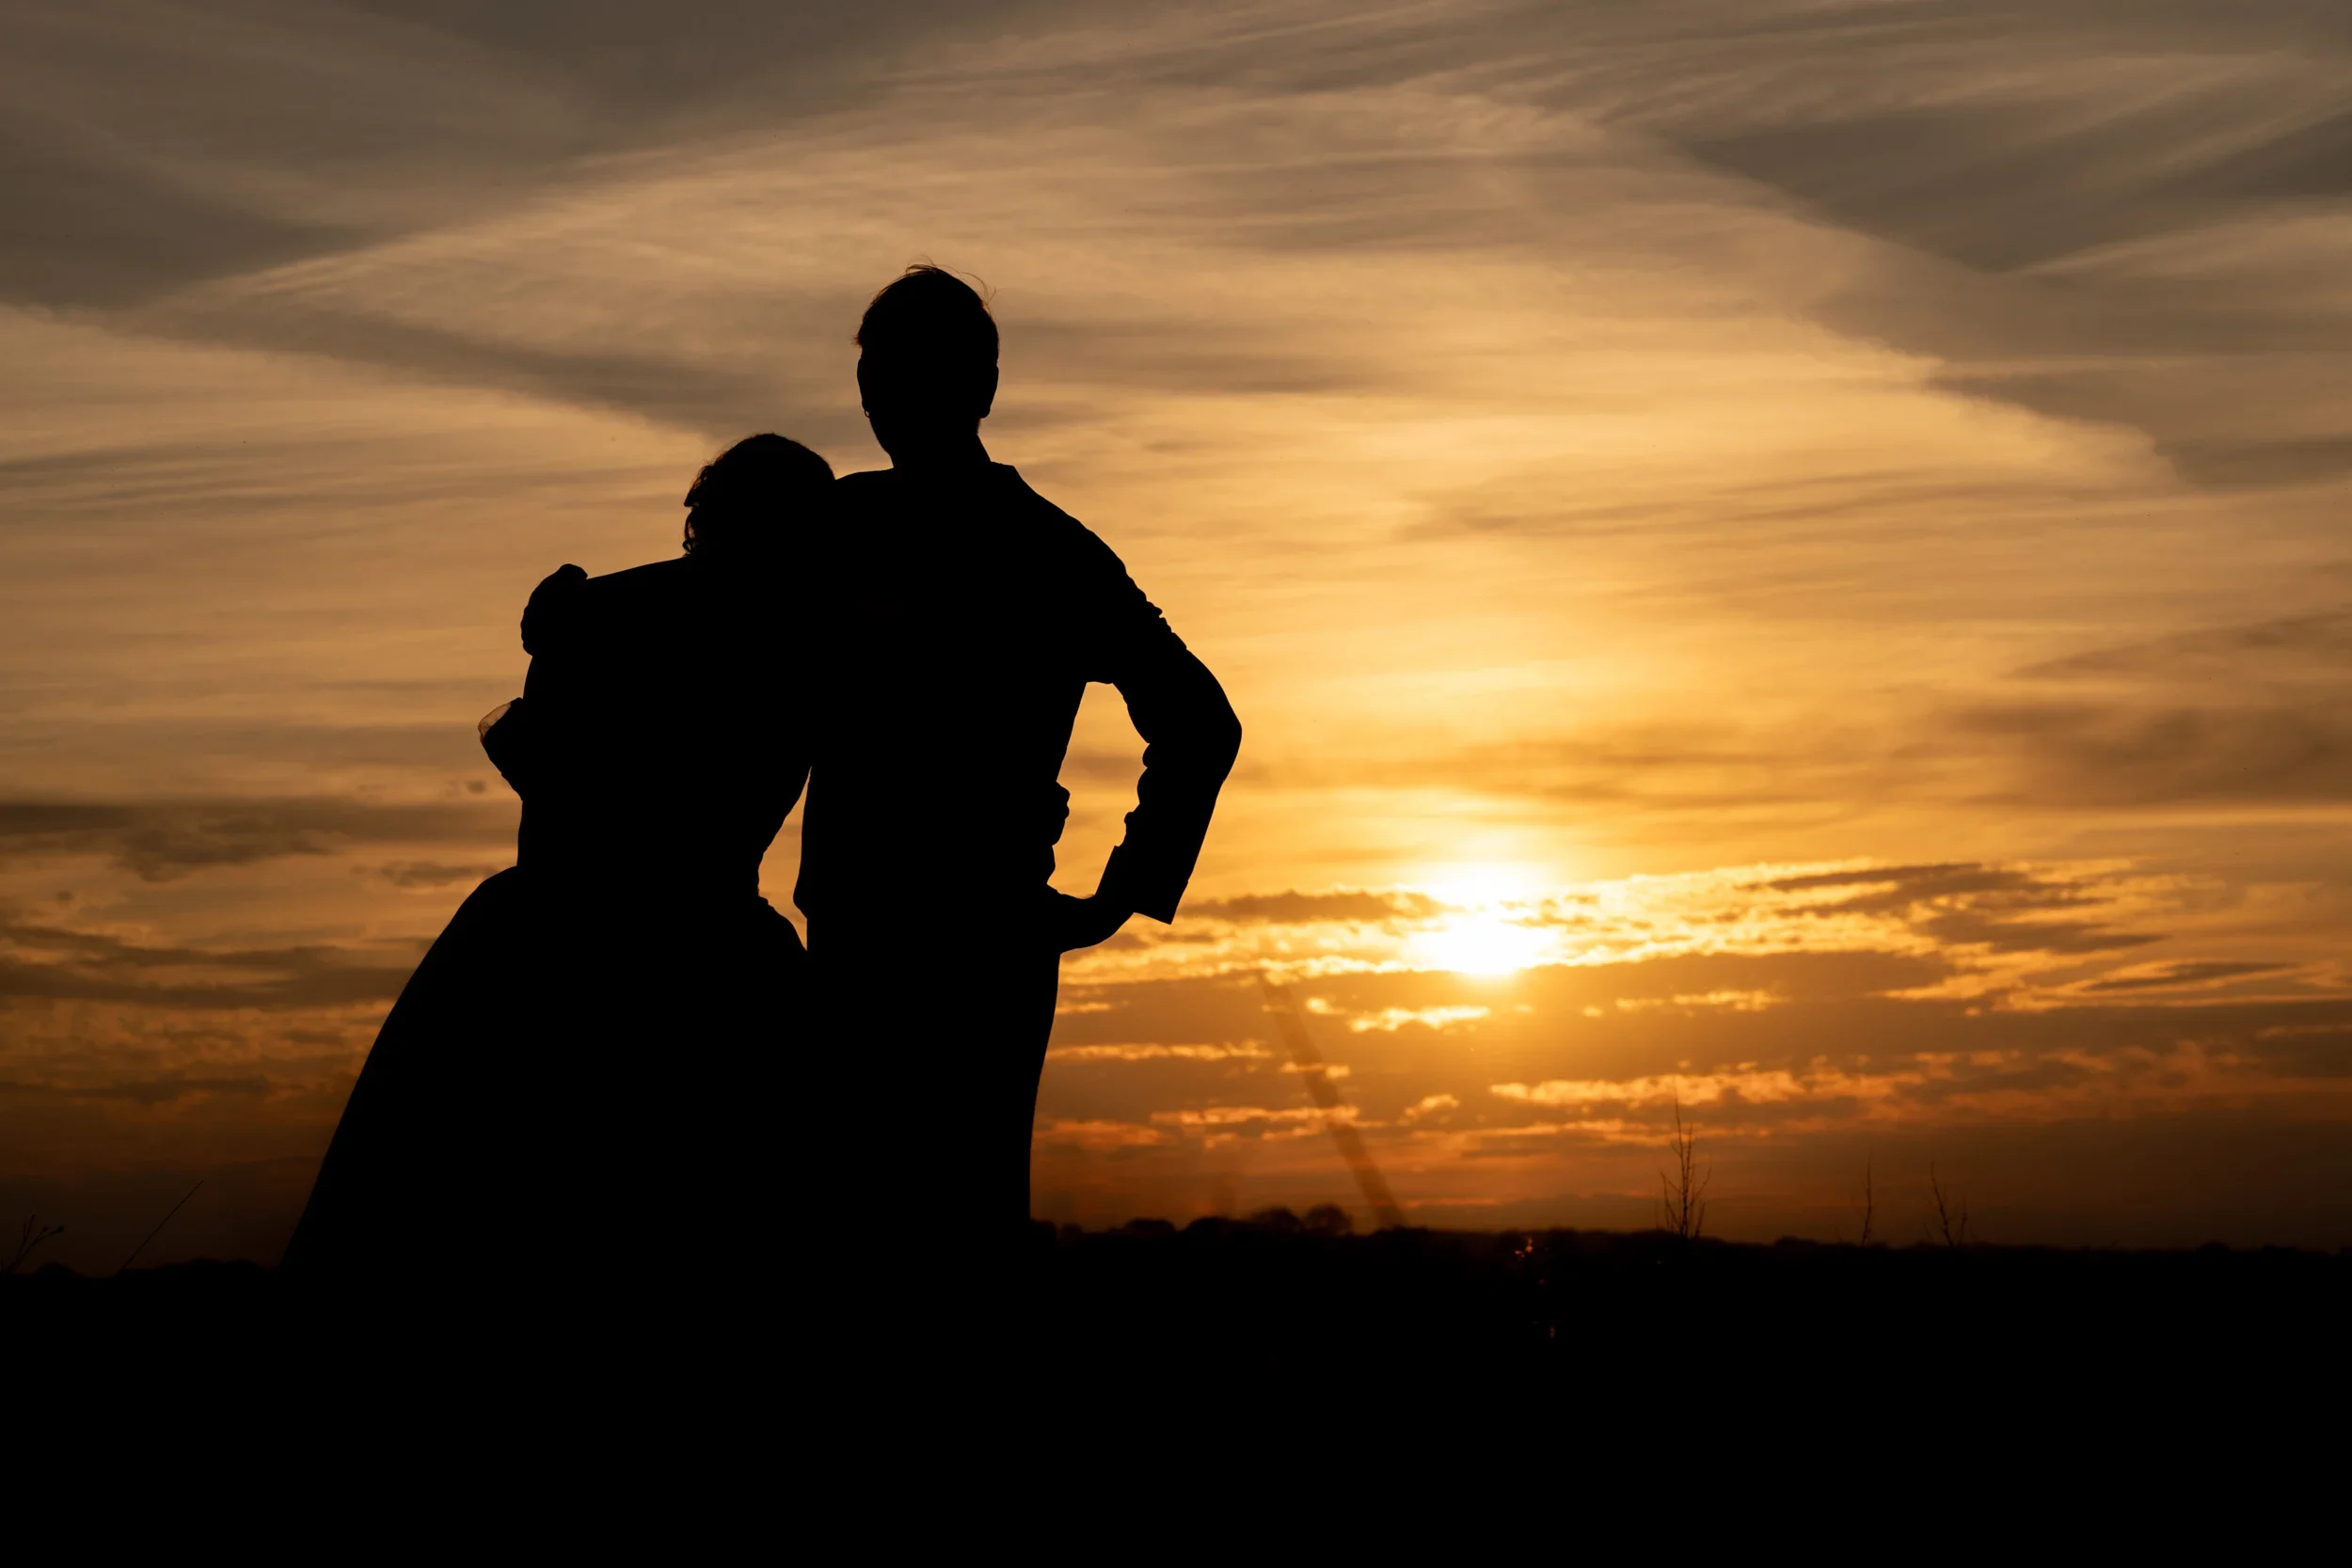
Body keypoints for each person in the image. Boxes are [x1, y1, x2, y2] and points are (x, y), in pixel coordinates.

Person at [283, 435, 831, 1297]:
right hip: (706, 953)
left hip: (554, 937)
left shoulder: (603, 615)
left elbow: (547, 803)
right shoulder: (814, 648)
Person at [801, 266, 1242, 1277]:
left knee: (942, 1238)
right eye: (872, 373)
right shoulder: (842, 528)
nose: (879, 397)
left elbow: (1200, 721)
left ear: (980, 386)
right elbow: (707, 608)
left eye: (903, 372)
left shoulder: (1046, 553)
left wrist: (1120, 892)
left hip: (968, 947)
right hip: (866, 937)